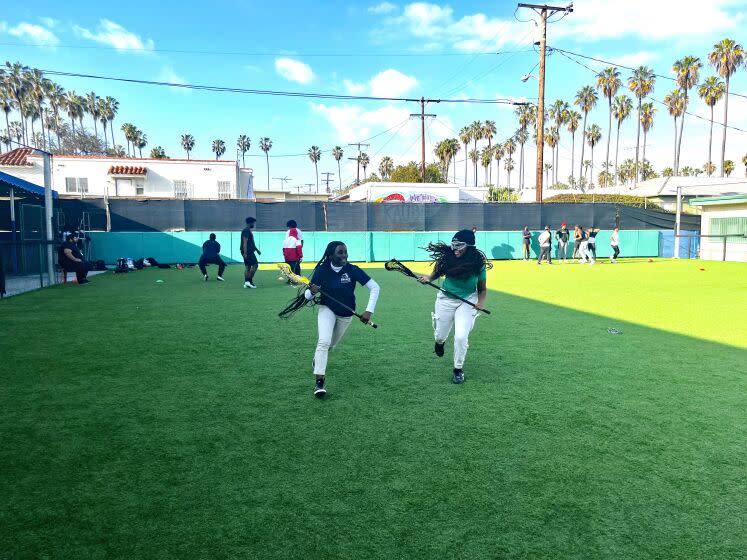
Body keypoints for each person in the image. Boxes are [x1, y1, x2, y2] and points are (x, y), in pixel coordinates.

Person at [279, 241, 380, 398]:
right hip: (327, 309)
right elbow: (307, 296)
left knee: (330, 346)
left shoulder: (352, 270)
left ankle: (317, 361)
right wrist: (312, 292)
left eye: (345, 252)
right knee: (324, 342)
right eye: (340, 252)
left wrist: (368, 311)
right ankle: (319, 382)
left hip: (346, 314)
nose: (344, 255)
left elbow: (375, 287)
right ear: (331, 255)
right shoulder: (322, 270)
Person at [418, 229, 491, 385]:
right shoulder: (448, 258)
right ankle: (439, 343)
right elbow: (438, 272)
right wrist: (429, 278)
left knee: (460, 337)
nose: (455, 249)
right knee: (439, 335)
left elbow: (482, 289)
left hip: (468, 300)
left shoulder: (478, 263)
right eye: (453, 245)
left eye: (459, 245)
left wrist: (481, 302)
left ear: (469, 246)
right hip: (445, 299)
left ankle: (458, 369)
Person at [241, 217, 261, 288]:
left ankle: (246, 282)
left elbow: (251, 242)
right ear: (250, 223)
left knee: (248, 267)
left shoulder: (248, 230)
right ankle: (249, 281)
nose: (254, 224)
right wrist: (245, 253)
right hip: (248, 251)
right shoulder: (246, 230)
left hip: (248, 251)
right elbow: (245, 242)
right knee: (255, 265)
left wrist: (256, 249)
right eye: (253, 223)